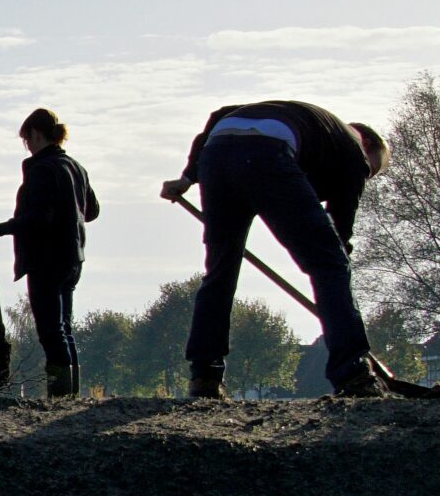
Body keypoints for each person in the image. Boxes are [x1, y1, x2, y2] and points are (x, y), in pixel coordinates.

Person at [164, 100, 388, 400]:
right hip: (267, 154)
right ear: (368, 144)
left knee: (220, 270)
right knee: (331, 267)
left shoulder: (312, 126)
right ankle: (353, 374)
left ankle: (205, 376)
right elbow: (340, 234)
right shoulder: (353, 150)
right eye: (372, 170)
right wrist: (336, 271)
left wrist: (188, 177)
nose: (365, 177)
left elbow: (220, 116)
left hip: (217, 154)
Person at [0, 109, 100, 396]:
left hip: (46, 259)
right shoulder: (75, 167)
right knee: (64, 327)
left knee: (51, 329)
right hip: (73, 257)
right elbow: (92, 210)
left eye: (27, 139)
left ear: (36, 134)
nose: (28, 146)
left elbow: (37, 219)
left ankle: (60, 393)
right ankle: (70, 392)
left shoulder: (42, 170)